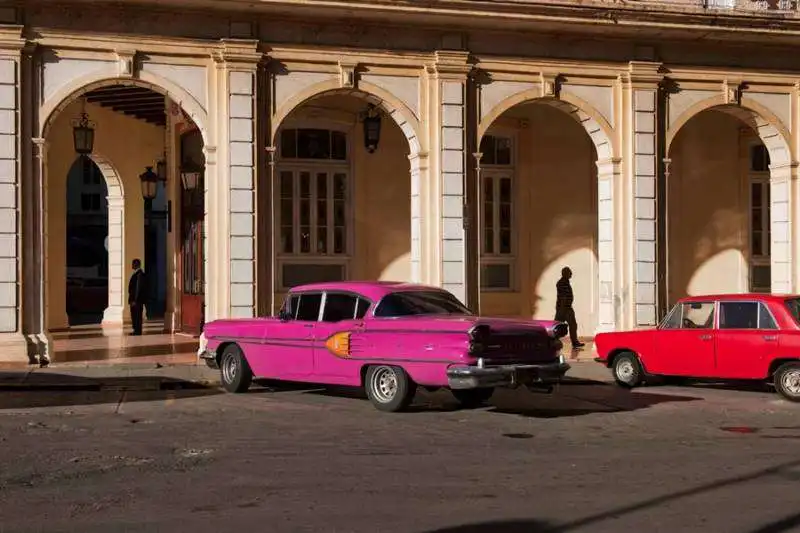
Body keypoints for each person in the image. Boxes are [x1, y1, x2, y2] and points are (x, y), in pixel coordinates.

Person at [555, 266, 584, 349]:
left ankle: (575, 342)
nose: (571, 274)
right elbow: (563, 296)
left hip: (567, 307)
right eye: (569, 272)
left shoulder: (566, 282)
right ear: (565, 273)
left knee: (573, 325)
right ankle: (551, 340)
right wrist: (563, 309)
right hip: (563, 308)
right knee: (557, 326)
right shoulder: (562, 283)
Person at [128, 258, 148, 336]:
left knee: (137, 316)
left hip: (137, 300)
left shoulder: (139, 274)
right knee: (134, 315)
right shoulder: (136, 273)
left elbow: (138, 288)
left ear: (137, 265)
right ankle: (136, 330)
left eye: (133, 264)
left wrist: (135, 300)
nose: (132, 265)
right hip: (135, 300)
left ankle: (137, 331)